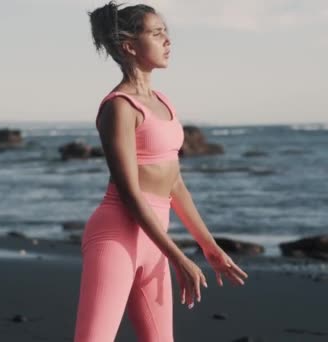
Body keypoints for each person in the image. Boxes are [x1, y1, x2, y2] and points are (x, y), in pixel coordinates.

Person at [73, 2, 248, 341]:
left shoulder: (164, 102)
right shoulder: (119, 107)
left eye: (166, 32)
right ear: (129, 46)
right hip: (115, 238)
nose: (168, 40)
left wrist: (209, 247)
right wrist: (179, 256)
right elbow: (129, 193)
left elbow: (175, 183)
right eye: (156, 33)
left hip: (155, 240)